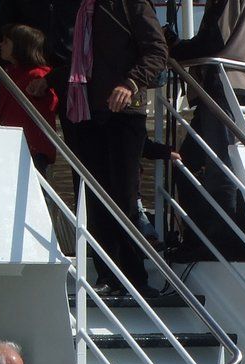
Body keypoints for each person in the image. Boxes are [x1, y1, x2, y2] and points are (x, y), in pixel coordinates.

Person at [32, 0, 167, 298]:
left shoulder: (130, 4)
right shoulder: (81, 8)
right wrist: (50, 80)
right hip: (86, 112)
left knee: (123, 198)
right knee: (94, 198)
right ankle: (108, 275)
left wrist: (131, 83)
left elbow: (157, 51)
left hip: (123, 112)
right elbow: (82, 63)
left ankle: (135, 278)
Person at [165, 0, 245, 261]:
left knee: (218, 168)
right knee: (188, 163)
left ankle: (217, 242)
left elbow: (214, 40)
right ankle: (202, 238)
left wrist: (174, 48)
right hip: (224, 84)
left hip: (222, 83)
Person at [0, 24, 59, 176]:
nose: (0, 44)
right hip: (10, 144)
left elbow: (52, 102)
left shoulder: (39, 76)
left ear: (19, 46)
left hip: (32, 149)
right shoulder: (9, 74)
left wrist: (40, 92)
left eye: (6, 41)